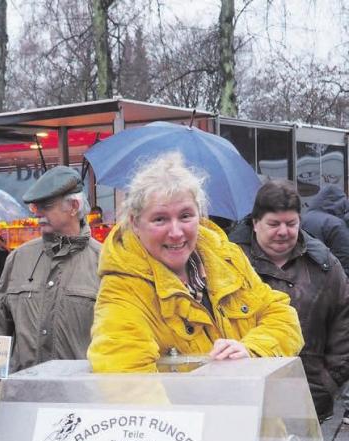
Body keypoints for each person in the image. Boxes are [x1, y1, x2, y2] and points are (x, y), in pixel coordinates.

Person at [88, 152, 303, 373]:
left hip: (247, 406)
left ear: (199, 215)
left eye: (185, 216)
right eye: (160, 219)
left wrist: (252, 349)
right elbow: (125, 382)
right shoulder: (122, 290)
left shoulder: (227, 258)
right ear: (135, 223)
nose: (176, 232)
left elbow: (281, 315)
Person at [229, 180, 349, 422]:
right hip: (241, 400)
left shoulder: (325, 266)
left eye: (291, 223)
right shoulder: (227, 263)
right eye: (274, 224)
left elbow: (343, 324)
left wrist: (328, 382)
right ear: (255, 223)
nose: (283, 231)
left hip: (307, 399)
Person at [0, 165, 101, 373]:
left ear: (74, 206)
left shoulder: (104, 263)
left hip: (82, 398)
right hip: (23, 398)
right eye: (35, 208)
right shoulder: (18, 259)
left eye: (46, 206)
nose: (37, 214)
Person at [300, 184, 349, 276]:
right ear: (341, 203)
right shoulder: (336, 224)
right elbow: (345, 256)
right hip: (329, 276)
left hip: (303, 275)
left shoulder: (304, 218)